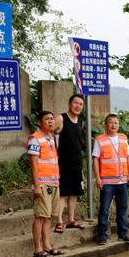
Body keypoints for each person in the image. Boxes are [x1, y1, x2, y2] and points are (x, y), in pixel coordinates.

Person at [27, 111, 65, 257]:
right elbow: (34, 165)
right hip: (42, 184)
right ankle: (37, 250)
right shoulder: (35, 139)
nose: (50, 121)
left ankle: (47, 246)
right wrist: (36, 186)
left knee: (48, 217)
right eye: (47, 119)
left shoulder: (50, 137)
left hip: (53, 182)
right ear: (39, 122)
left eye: (51, 119)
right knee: (40, 217)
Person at [92, 114, 129, 245]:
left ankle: (122, 234)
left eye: (116, 123)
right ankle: (102, 237)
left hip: (122, 181)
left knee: (122, 209)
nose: (113, 125)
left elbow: (128, 158)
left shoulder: (123, 138)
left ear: (119, 125)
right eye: (111, 122)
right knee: (104, 209)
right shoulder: (100, 140)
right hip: (107, 182)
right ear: (106, 125)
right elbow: (95, 159)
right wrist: (98, 178)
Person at [53, 94, 86, 233]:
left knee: (74, 193)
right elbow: (49, 133)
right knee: (63, 193)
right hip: (63, 163)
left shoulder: (80, 121)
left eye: (80, 104)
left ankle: (71, 219)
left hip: (77, 162)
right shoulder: (61, 118)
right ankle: (59, 221)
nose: (78, 106)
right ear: (69, 103)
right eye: (75, 103)